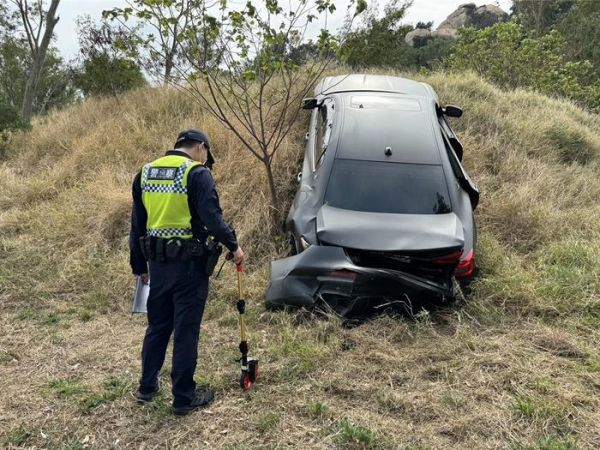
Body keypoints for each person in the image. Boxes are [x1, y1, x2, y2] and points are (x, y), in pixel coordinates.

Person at [129, 129, 244, 416]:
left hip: (158, 264)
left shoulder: (145, 172)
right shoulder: (197, 174)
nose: (206, 160)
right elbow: (213, 219)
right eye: (207, 155)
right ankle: (183, 396)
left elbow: (137, 224)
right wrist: (234, 246)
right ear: (201, 148)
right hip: (190, 268)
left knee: (158, 325)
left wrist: (139, 265)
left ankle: (147, 386)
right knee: (186, 330)